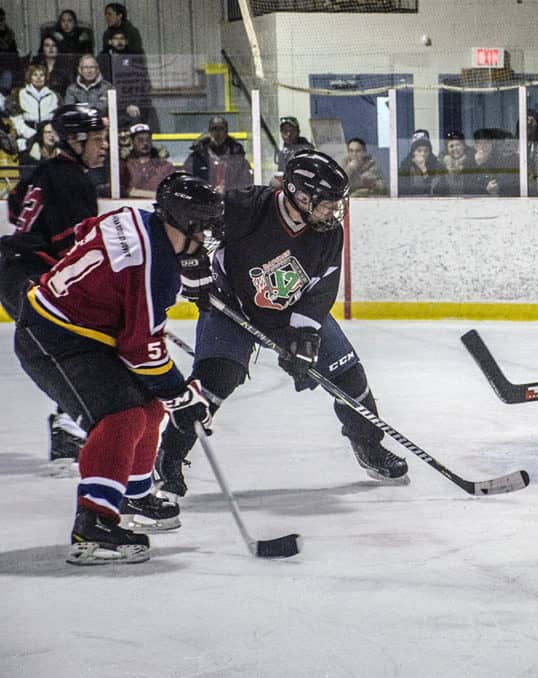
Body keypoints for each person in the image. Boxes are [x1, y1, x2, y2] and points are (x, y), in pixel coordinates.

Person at [154, 150, 409, 504]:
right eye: (326, 204)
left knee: (348, 375)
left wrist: (304, 334)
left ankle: (369, 445)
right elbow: (191, 224)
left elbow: (322, 287)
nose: (333, 212)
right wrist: (194, 268)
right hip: (232, 307)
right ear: (300, 196)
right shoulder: (246, 207)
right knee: (215, 380)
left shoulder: (328, 233)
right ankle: (168, 458)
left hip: (291, 311)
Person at [14, 173, 223, 565]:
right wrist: (182, 395)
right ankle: (94, 523)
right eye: (204, 225)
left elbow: (87, 234)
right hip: (52, 338)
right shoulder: (155, 266)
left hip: (82, 330)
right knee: (120, 416)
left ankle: (134, 493)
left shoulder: (133, 217)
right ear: (184, 222)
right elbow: (140, 349)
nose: (207, 235)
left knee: (150, 406)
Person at [1, 104, 108, 469]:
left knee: (73, 341)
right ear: (76, 141)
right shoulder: (72, 179)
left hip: (14, 269)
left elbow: (16, 211)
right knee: (79, 341)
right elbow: (72, 246)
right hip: (32, 274)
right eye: (96, 139)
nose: (104, 146)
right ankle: (69, 425)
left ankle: (70, 423)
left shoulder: (44, 170)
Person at [99, 28, 156, 130]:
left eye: (122, 38)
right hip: (111, 103)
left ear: (126, 41)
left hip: (132, 104)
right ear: (110, 41)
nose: (119, 41)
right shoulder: (103, 59)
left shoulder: (134, 57)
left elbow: (142, 84)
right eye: (116, 38)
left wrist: (133, 103)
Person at [184, 116, 252, 193]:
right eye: (214, 129)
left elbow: (245, 183)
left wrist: (227, 192)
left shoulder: (237, 157)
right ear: (209, 132)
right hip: (203, 200)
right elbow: (189, 183)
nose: (218, 133)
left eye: (221, 129)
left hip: (231, 200)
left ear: (226, 133)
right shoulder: (196, 158)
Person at [122, 122, 174, 197]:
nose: (145, 143)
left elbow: (172, 191)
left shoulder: (165, 166)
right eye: (140, 140)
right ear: (132, 141)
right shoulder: (125, 166)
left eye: (148, 139)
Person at [16, 64, 59, 152]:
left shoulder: (53, 95)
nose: (38, 78)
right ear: (30, 77)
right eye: (35, 75)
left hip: (48, 137)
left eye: (42, 75)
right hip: (27, 135)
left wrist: (47, 135)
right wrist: (30, 134)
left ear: (46, 77)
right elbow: (16, 119)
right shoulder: (20, 94)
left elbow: (57, 119)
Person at [438, 130, 474, 196]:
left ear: (464, 146)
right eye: (451, 146)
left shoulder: (473, 162)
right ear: (447, 149)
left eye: (458, 145)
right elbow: (436, 190)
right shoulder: (441, 165)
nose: (455, 148)